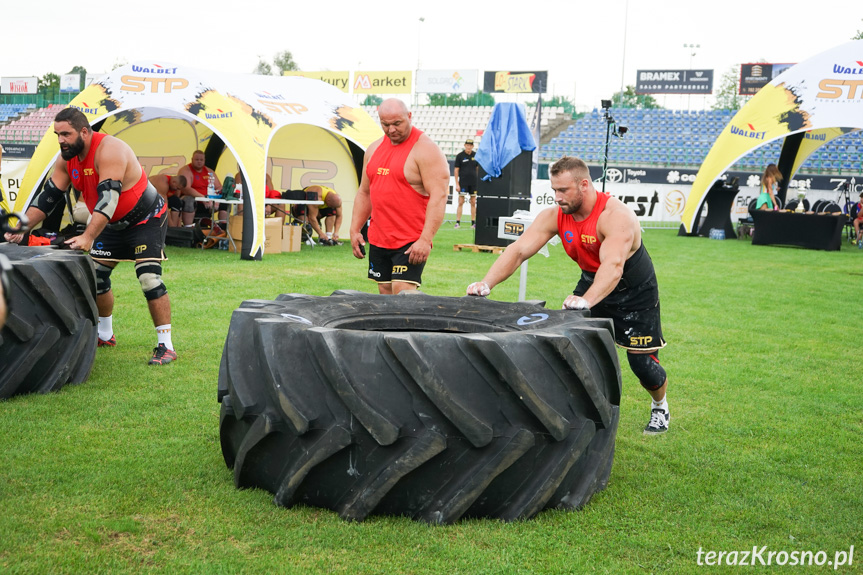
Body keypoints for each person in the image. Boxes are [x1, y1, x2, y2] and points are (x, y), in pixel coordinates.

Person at [466, 156, 671, 435]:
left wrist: (586, 300)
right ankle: (572, 413)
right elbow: (519, 250)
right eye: (554, 190)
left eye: (563, 190)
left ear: (584, 185)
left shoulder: (615, 216)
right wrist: (486, 283)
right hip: (591, 282)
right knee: (570, 347)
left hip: (633, 290)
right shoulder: (554, 216)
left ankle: (660, 407)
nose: (557, 197)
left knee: (642, 363)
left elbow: (613, 268)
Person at [3, 108, 177, 366]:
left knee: (149, 277)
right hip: (109, 221)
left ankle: (166, 346)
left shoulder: (110, 150)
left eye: (66, 134)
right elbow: (49, 197)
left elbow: (109, 199)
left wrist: (87, 236)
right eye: (57, 134)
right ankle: (105, 334)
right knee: (97, 278)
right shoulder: (66, 158)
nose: (61, 140)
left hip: (145, 218)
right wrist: (23, 227)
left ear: (84, 131)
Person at [350, 98, 449, 294]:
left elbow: (439, 195)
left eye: (397, 123)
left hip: (410, 240)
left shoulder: (426, 149)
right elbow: (365, 192)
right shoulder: (373, 149)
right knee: (385, 291)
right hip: (379, 238)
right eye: (385, 124)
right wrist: (354, 230)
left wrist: (425, 239)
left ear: (409, 116)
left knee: (403, 293)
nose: (391, 130)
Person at [178, 150, 222, 226]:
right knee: (188, 200)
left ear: (204, 160)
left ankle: (222, 227)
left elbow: (219, 187)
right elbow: (186, 189)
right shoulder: (185, 170)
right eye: (197, 160)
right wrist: (203, 198)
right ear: (192, 160)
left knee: (225, 204)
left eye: (201, 160)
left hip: (209, 200)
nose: (199, 162)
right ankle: (188, 228)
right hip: (194, 199)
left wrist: (216, 199)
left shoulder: (209, 171)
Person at [453, 139, 478, 229]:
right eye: (467, 145)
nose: (469, 147)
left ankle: (473, 223)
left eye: (470, 145)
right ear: (464, 145)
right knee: (461, 202)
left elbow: (477, 168)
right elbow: (456, 170)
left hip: (473, 182)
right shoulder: (460, 156)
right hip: (463, 182)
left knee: (473, 202)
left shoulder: (476, 155)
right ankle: (458, 222)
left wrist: (477, 180)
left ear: (472, 146)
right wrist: (457, 183)